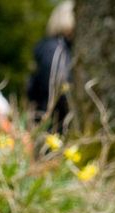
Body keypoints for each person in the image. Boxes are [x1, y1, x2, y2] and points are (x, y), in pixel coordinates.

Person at [27, 1, 74, 133]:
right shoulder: (55, 48)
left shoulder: (55, 47)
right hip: (55, 125)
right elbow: (59, 86)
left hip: (53, 122)